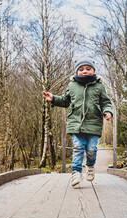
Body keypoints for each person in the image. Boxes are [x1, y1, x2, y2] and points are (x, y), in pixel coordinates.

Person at [43, 55, 113, 186]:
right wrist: (53, 98)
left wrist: (108, 111)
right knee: (78, 147)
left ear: (94, 71)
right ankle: (76, 172)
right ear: (76, 72)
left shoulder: (99, 86)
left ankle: (90, 167)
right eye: (81, 69)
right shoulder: (72, 85)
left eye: (88, 68)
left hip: (93, 124)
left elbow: (106, 102)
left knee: (91, 149)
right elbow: (65, 101)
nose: (85, 71)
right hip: (76, 124)